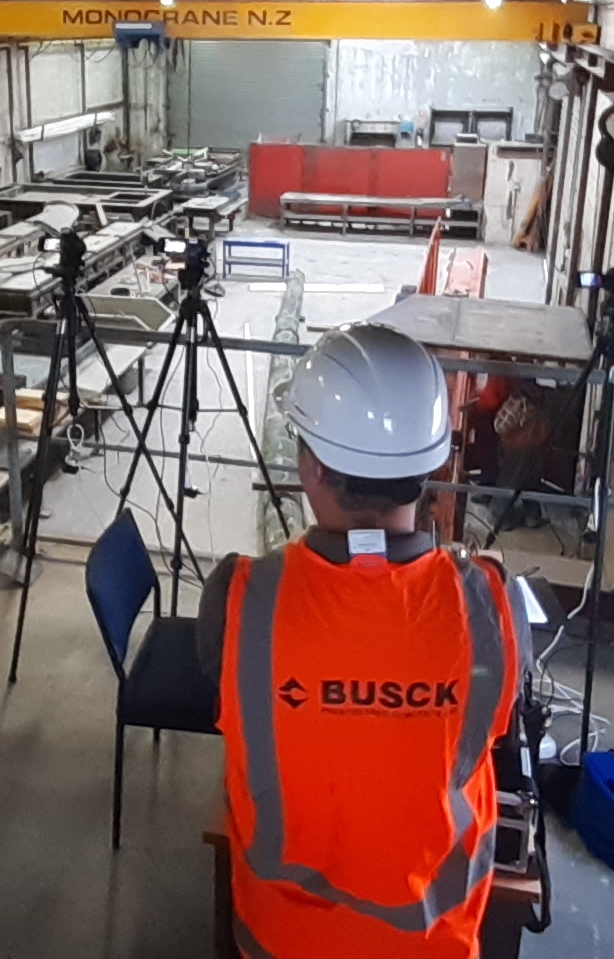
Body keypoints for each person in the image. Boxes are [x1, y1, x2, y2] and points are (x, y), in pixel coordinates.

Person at [197, 322, 523, 959]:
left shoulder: (235, 599)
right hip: (434, 944)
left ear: (312, 466)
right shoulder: (492, 604)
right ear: (431, 466)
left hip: (282, 940)